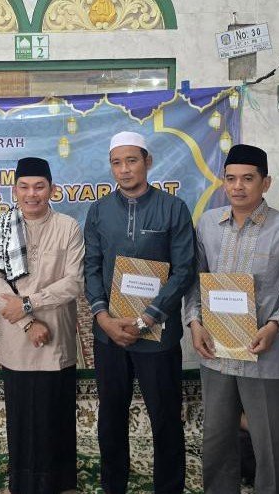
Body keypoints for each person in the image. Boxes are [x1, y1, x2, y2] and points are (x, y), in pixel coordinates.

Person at [183, 144, 279, 494]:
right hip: (216, 353)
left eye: (248, 179)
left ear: (265, 183)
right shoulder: (208, 225)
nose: (238, 186)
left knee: (270, 444)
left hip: (266, 355)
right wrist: (194, 323)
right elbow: (194, 280)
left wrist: (274, 325)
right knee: (217, 440)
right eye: (231, 178)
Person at [83, 131, 197, 494]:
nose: (124, 169)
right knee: (111, 417)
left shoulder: (173, 208)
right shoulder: (99, 210)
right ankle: (113, 485)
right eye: (116, 162)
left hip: (157, 335)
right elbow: (91, 267)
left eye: (131, 160)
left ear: (148, 162)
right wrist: (103, 319)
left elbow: (184, 269)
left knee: (165, 418)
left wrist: (148, 317)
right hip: (110, 335)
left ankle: (169, 488)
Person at [0, 157, 83, 493]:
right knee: (22, 415)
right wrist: (28, 322)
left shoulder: (68, 227)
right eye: (24, 187)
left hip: (57, 337)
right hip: (18, 337)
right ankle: (25, 483)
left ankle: (61, 482)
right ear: (14, 191)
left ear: (52, 189)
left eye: (39, 186)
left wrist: (29, 303)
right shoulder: (2, 228)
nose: (32, 194)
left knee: (57, 413)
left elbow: (74, 282)